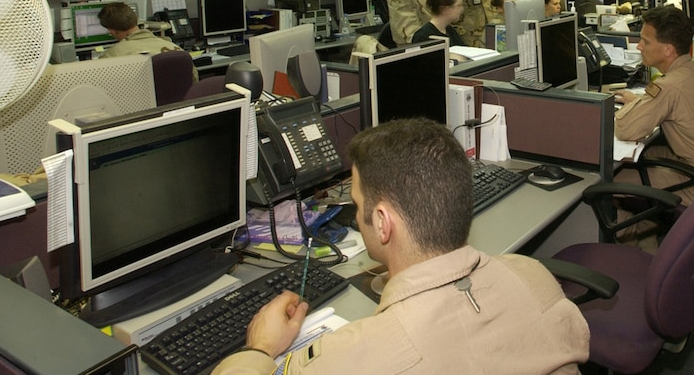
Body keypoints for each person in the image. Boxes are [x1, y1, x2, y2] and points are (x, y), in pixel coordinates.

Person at [213, 118, 589, 375]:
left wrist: (259, 349)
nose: (357, 216)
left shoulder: (358, 356)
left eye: (357, 205)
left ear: (381, 222)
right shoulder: (533, 276)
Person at [614, 6, 694, 205]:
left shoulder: (669, 86)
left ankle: (623, 232)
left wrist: (624, 109)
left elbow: (625, 130)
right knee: (639, 156)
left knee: (614, 179)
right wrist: (639, 102)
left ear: (668, 49)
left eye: (645, 41)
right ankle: (642, 233)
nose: (639, 46)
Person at [97, 3, 197, 80]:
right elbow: (194, 79)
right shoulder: (175, 48)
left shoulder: (112, 56)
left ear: (112, 31)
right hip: (181, 104)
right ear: (135, 20)